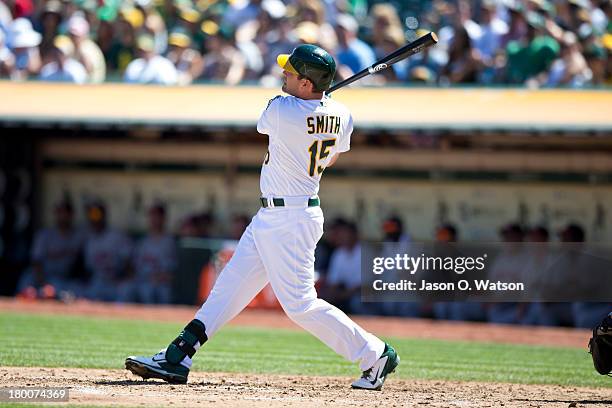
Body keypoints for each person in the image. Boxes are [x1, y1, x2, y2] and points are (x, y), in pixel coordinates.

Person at [125, 44, 400, 391]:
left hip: (290, 217)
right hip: (277, 214)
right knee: (228, 288)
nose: (283, 74)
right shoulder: (342, 115)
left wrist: (311, 111)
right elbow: (329, 159)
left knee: (300, 304)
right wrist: (319, 109)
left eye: (291, 72)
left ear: (306, 83)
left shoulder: (282, 109)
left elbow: (279, 122)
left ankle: (374, 354)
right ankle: (177, 356)